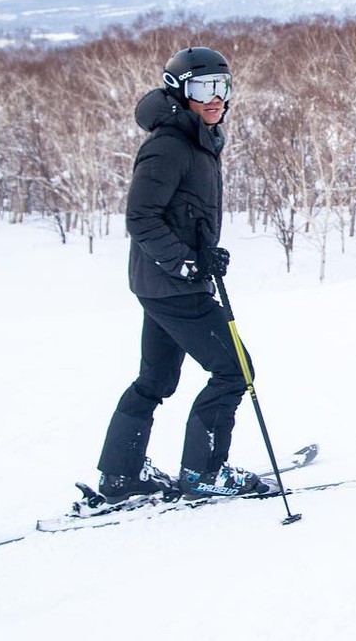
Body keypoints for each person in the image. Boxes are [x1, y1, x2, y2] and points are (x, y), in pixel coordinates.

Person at [96, 47, 273, 503]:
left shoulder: (195, 138)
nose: (215, 98)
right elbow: (141, 217)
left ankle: (121, 476)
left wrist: (203, 253)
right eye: (202, 88)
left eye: (222, 86)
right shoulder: (169, 145)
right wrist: (187, 262)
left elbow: (182, 214)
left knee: (154, 382)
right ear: (179, 91)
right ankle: (203, 474)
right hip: (174, 285)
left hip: (161, 283)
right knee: (234, 371)